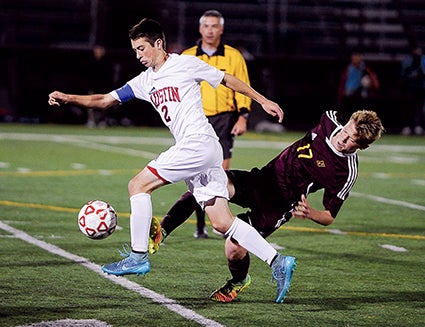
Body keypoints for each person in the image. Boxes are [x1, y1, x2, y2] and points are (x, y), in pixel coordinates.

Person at [48, 18, 295, 304]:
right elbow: (105, 100)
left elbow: (227, 79)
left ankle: (138, 255)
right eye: (134, 50)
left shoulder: (184, 64)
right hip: (202, 150)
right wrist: (68, 97)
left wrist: (261, 100)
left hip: (198, 143)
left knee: (137, 186)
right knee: (221, 221)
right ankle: (277, 261)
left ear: (158, 44)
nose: (138, 55)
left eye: (142, 48)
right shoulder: (144, 81)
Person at [150, 109, 384, 303]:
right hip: (262, 179)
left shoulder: (346, 172)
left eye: (351, 139)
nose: (343, 138)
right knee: (206, 184)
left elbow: (330, 215)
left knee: (234, 248)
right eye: (346, 130)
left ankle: (239, 281)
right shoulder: (329, 119)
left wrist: (312, 213)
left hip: (280, 204)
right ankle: (162, 232)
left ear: (362, 146)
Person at [182, 10, 252, 239]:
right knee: (194, 173)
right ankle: (200, 226)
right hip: (195, 121)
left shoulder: (233, 56)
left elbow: (242, 86)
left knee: (219, 173)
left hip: (224, 119)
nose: (210, 30)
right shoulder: (187, 56)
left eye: (215, 26)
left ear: (221, 29)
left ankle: (221, 222)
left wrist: (243, 116)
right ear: (200, 29)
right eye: (207, 26)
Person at [337, 51, 380, 120]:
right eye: (354, 57)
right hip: (348, 96)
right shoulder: (348, 69)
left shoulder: (365, 69)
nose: (355, 59)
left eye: (357, 57)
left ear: (360, 58)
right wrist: (341, 94)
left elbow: (375, 82)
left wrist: (371, 84)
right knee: (348, 115)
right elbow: (342, 82)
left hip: (361, 96)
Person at [400, 46, 425, 135]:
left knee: (419, 108)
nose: (417, 52)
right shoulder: (408, 60)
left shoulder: (423, 60)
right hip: (410, 88)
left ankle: (418, 126)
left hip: (421, 88)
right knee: (409, 108)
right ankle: (408, 126)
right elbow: (404, 74)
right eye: (415, 50)